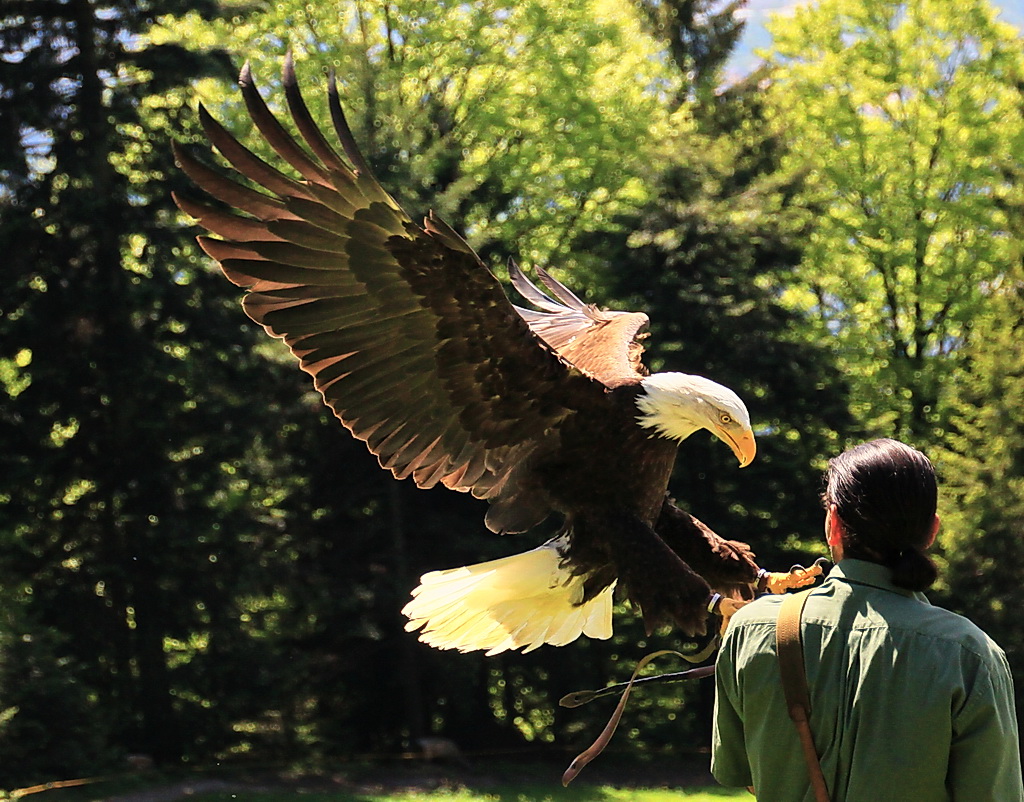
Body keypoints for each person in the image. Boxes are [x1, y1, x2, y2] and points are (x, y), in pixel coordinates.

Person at [711, 438, 1024, 801]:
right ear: (932, 530)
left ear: (833, 524)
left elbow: (741, 772)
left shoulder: (750, 629)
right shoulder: (969, 654)